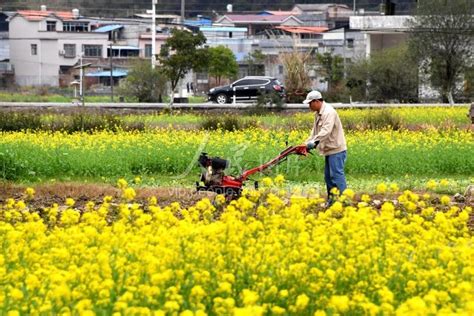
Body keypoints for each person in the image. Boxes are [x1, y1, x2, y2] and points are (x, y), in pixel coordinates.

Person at [303, 90, 347, 205]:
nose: (309, 106)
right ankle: (332, 201)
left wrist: (315, 142)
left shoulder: (329, 112)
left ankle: (344, 201)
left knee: (336, 176)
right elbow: (315, 132)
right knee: (328, 177)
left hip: (336, 149)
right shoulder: (318, 114)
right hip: (328, 150)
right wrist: (306, 143)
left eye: (310, 103)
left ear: (316, 101)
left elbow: (326, 131)